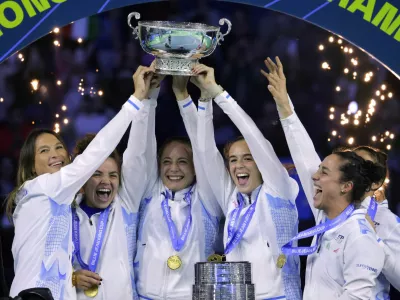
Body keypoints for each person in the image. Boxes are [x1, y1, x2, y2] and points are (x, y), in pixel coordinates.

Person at [6, 65, 156, 300]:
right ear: (31, 166)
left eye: (58, 147)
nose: (55, 154)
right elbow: (98, 150)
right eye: (44, 151)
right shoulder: (45, 187)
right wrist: (136, 100)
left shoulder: (53, 200)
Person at [262, 56, 386, 299]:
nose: (313, 177)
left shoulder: (359, 235)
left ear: (345, 186)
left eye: (324, 172)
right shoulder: (327, 218)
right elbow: (304, 154)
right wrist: (285, 106)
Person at [192, 64, 301, 300]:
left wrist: (219, 94)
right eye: (232, 160)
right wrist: (204, 100)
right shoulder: (232, 198)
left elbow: (254, 135)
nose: (238, 166)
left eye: (248, 159)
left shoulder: (278, 190)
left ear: (261, 162)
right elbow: (205, 153)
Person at [133, 76, 222, 300]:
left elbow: (204, 149)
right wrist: (149, 97)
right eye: (166, 162)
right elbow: (140, 148)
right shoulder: (149, 194)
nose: (173, 169)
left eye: (182, 161)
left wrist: (183, 98)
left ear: (194, 167)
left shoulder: (207, 201)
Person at [351, 146, 400, 296]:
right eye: (351, 163)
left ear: (376, 182)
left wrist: (376, 241)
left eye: (362, 166)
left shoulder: (386, 220)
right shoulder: (330, 211)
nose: (353, 171)